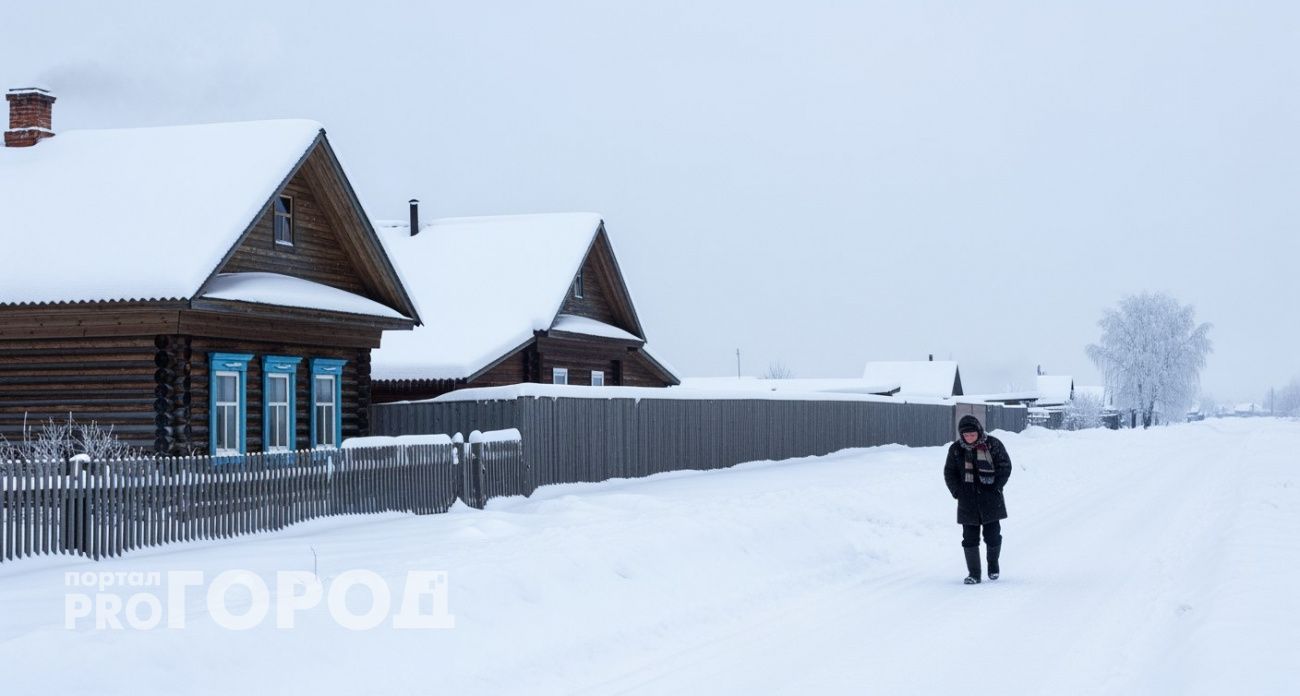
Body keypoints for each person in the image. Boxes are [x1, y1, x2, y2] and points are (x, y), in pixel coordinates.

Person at [943, 414, 1012, 584]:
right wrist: (957, 491)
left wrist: (995, 485)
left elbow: (1005, 466)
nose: (969, 438)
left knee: (993, 536)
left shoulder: (993, 444)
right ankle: (974, 573)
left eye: (972, 434)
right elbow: (949, 472)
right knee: (969, 538)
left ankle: (993, 565)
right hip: (967, 501)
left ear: (979, 431)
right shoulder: (956, 450)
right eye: (966, 435)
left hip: (990, 498)